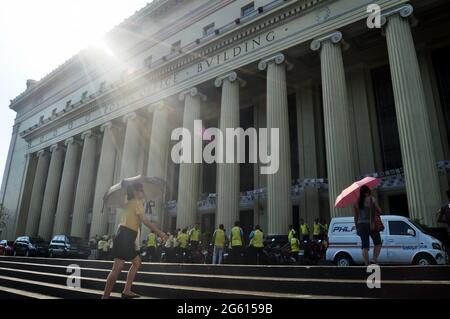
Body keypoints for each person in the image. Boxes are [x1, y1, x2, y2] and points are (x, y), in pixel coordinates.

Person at [102, 182, 167, 299]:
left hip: (125, 235)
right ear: (136, 192)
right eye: (141, 190)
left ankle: (126, 290)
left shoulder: (129, 203)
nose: (143, 192)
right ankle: (105, 297)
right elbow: (145, 222)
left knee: (136, 263)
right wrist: (160, 233)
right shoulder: (137, 203)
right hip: (125, 236)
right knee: (117, 268)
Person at [354, 185, 382, 266]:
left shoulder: (356, 202)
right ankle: (374, 259)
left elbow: (355, 217)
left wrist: (356, 227)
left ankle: (367, 264)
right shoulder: (372, 199)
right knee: (378, 243)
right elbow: (380, 211)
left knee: (365, 246)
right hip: (371, 224)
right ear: (367, 192)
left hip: (360, 225)